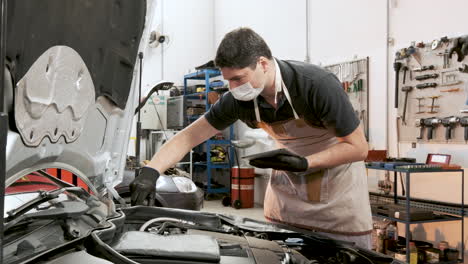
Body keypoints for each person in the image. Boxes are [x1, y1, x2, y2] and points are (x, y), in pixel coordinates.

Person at [130, 27, 373, 249]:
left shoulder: (315, 85)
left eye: (238, 79)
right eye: (228, 80)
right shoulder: (238, 100)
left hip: (338, 195)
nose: (233, 87)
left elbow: (359, 148)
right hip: (288, 198)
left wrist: (306, 163)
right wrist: (151, 173)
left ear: (263, 64)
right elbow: (188, 137)